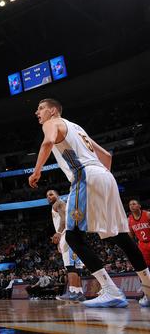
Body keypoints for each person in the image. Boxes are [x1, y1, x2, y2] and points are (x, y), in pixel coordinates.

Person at [28, 98, 150, 308]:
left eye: (40, 108)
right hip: (105, 176)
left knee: (73, 237)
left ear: (53, 110)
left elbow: (48, 142)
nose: (37, 112)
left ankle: (111, 291)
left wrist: (36, 171)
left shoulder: (52, 123)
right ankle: (148, 288)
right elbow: (106, 156)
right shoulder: (77, 128)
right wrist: (101, 183)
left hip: (85, 176)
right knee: (120, 236)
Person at [46, 189, 86, 302]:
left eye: (51, 194)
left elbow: (64, 218)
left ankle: (73, 291)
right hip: (72, 235)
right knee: (76, 267)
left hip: (66, 235)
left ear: (57, 195)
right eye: (47, 195)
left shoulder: (58, 203)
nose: (49, 197)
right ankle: (79, 292)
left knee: (70, 266)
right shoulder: (62, 203)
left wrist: (58, 233)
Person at [128, 200, 150, 267]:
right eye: (130, 205)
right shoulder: (129, 219)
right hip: (142, 244)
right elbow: (131, 235)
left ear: (139, 206)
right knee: (146, 265)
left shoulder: (147, 214)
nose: (132, 206)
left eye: (134, 204)